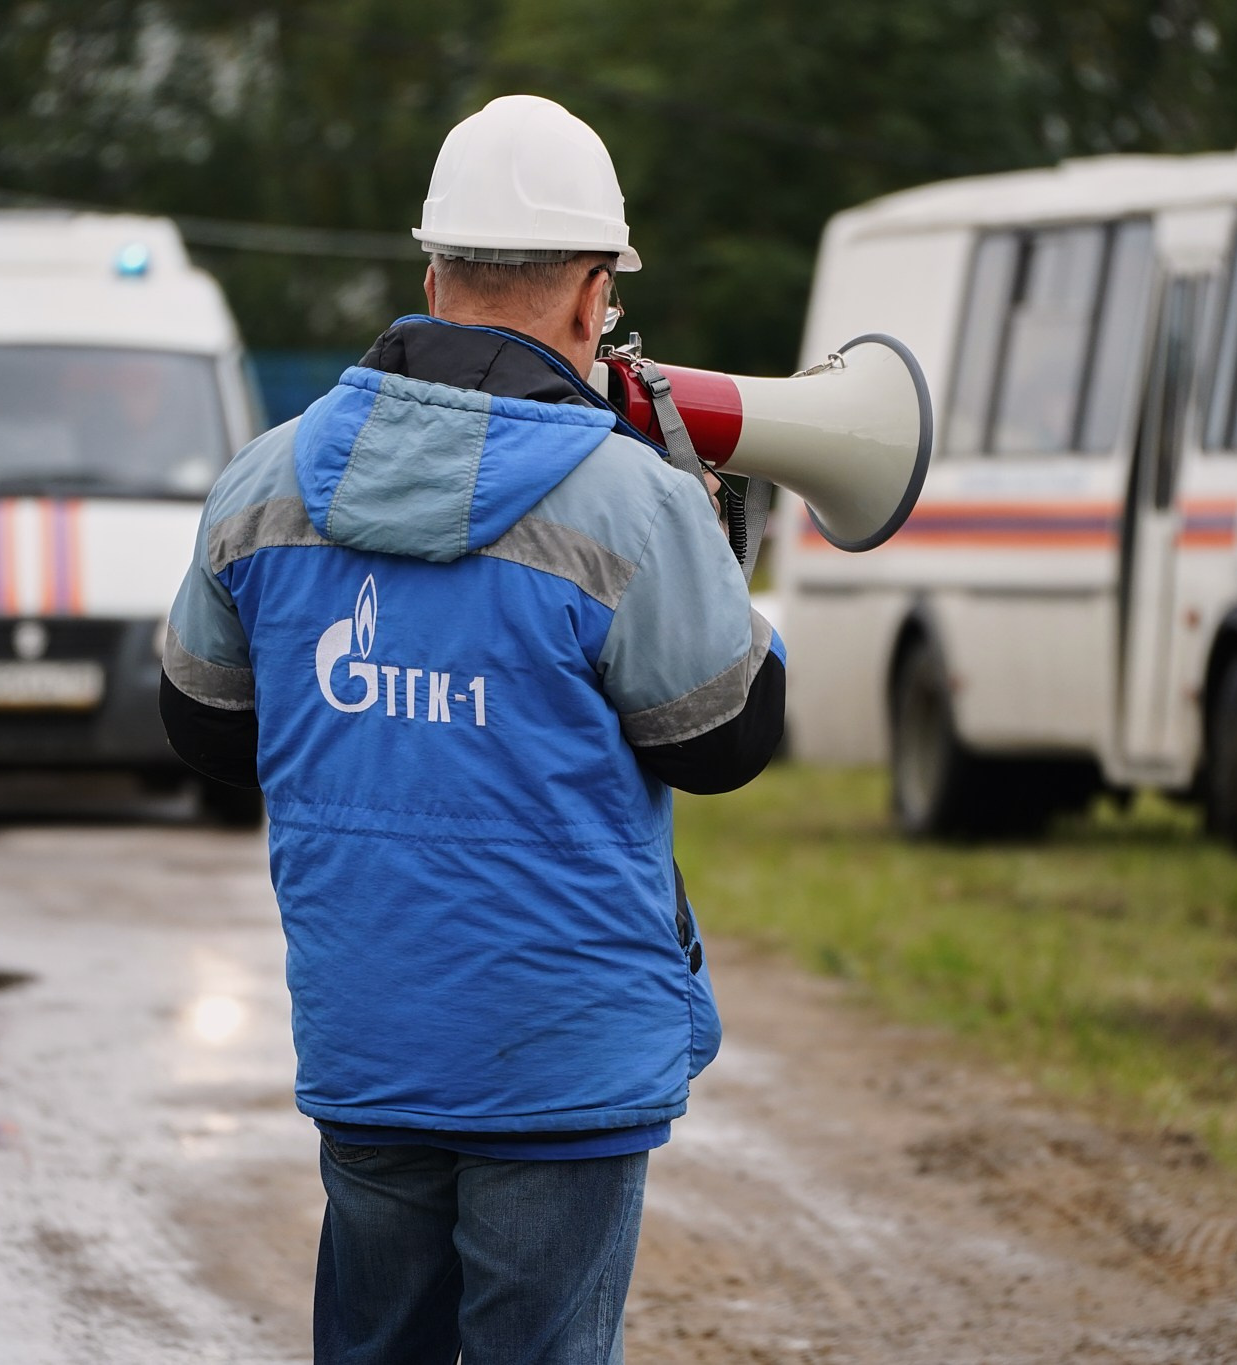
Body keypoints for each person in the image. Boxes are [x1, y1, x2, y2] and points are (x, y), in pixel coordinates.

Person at [159, 94, 783, 1364]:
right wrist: (707, 544)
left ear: (432, 273)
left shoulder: (262, 479)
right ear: (588, 296)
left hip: (370, 1047)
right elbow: (722, 742)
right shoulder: (631, 505)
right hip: (563, 1069)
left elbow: (206, 733)